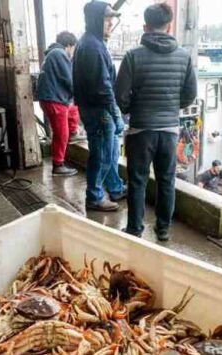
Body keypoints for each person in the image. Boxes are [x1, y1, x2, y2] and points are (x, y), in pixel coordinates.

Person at [116, 3, 197, 240]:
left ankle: (134, 229)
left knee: (138, 181)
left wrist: (135, 109)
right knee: (166, 181)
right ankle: (162, 230)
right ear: (169, 26)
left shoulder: (132, 56)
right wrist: (172, 108)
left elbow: (120, 95)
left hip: (141, 130)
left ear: (145, 26)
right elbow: (190, 94)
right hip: (170, 131)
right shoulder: (184, 56)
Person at [73, 1, 126, 212]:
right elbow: (103, 87)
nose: (110, 22)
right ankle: (94, 197)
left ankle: (115, 187)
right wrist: (116, 114)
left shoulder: (90, 42)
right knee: (102, 155)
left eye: (112, 18)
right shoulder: (93, 47)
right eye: (107, 18)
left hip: (94, 108)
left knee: (110, 152)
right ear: (95, 19)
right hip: (99, 110)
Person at [37, 31, 82, 177]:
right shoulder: (59, 54)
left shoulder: (51, 53)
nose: (73, 52)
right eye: (73, 48)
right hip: (54, 99)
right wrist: (82, 95)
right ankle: (58, 165)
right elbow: (69, 80)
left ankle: (73, 133)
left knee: (62, 129)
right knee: (61, 133)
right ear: (69, 46)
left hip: (49, 98)